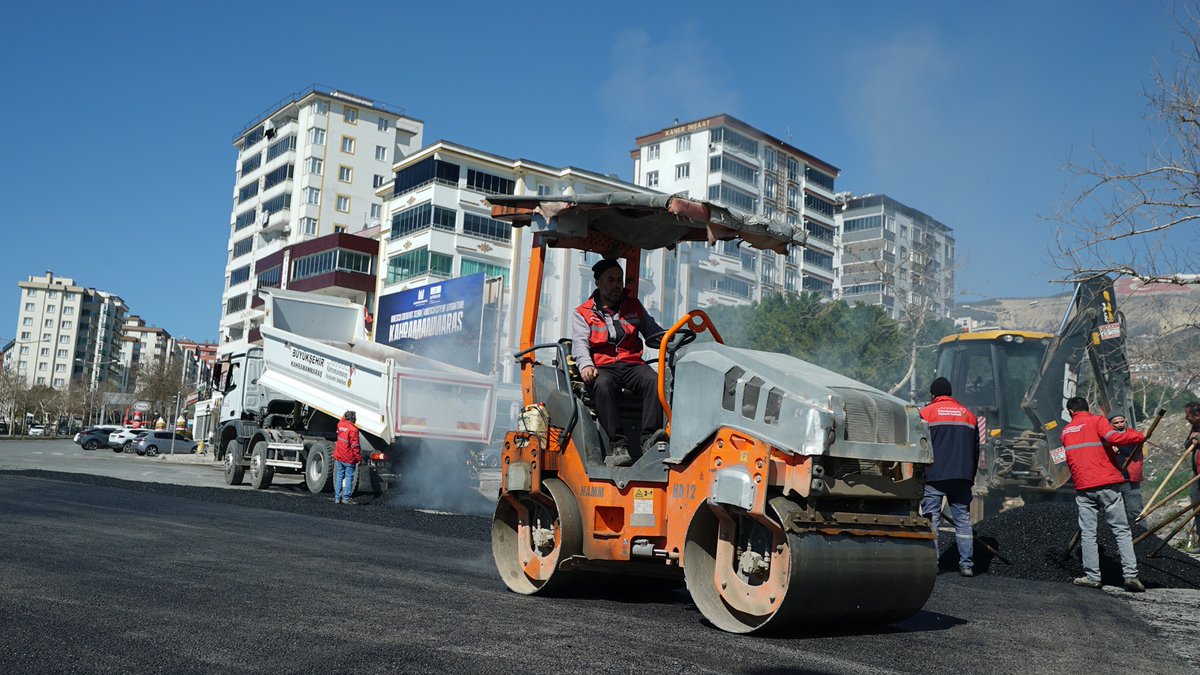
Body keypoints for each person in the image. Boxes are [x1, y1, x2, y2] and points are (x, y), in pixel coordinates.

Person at [571, 258, 666, 467]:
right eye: (611, 280)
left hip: (631, 363)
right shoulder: (583, 313)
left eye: (619, 280)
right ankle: (617, 444)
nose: (617, 285)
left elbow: (654, 332)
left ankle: (649, 438)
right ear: (598, 283)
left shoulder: (633, 306)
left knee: (653, 380)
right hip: (603, 366)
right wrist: (586, 365)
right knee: (603, 385)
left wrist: (671, 338)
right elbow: (579, 343)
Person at [1060, 396, 1145, 591]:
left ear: (1071, 412)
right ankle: (1131, 576)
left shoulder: (1065, 431)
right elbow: (1115, 437)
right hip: (1106, 483)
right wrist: (1140, 436)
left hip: (1083, 487)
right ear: (1086, 408)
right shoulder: (1097, 421)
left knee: (1088, 533)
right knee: (1121, 530)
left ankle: (1092, 577)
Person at [919, 377, 981, 577]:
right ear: (950, 393)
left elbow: (919, 448)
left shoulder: (926, 413)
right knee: (962, 521)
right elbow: (976, 450)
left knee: (932, 520)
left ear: (933, 394)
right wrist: (969, 476)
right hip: (962, 477)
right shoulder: (969, 415)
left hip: (935, 476)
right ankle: (966, 565)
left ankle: (932, 563)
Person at [1107, 414, 1144, 523]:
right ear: (1111, 424)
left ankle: (1144, 536)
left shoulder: (1133, 435)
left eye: (1121, 422)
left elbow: (1132, 450)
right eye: (1116, 423)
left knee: (1135, 511)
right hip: (1114, 480)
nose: (1120, 425)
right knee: (1118, 514)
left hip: (1129, 479)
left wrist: (1117, 446)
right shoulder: (1107, 438)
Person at [334, 410, 362, 504]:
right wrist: (358, 458)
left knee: (339, 477)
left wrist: (345, 413)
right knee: (349, 477)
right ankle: (346, 498)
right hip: (349, 458)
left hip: (339, 456)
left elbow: (342, 419)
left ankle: (337, 498)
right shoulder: (354, 430)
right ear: (353, 418)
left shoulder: (340, 425)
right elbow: (355, 446)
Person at [1185, 401, 1200, 551]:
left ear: (1197, 415)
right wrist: (1191, 438)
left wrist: (1198, 437)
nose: (1186, 418)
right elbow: (1186, 444)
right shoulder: (1194, 427)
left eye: (1187, 415)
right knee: (1197, 507)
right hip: (1197, 474)